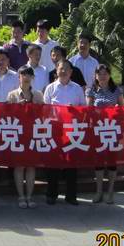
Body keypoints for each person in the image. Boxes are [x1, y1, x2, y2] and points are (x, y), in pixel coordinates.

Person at [44, 59, 87, 205]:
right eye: (60, 68)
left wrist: (74, 111)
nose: (63, 71)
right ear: (56, 70)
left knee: (71, 164)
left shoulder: (77, 88)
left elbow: (83, 109)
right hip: (55, 130)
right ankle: (51, 194)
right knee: (53, 163)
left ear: (71, 72)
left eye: (66, 69)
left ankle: (71, 195)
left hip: (72, 130)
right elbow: (45, 110)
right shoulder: (50, 88)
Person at [86, 63, 124, 204]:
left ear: (109, 75)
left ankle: (110, 192)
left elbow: (123, 109)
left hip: (112, 129)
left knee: (112, 161)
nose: (102, 76)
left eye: (105, 73)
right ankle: (99, 191)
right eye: (100, 74)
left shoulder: (117, 90)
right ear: (96, 76)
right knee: (99, 161)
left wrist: (116, 109)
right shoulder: (92, 90)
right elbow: (89, 109)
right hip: (98, 130)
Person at [7, 66, 44, 209]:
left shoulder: (38, 94)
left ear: (32, 77)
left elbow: (43, 114)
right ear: (19, 77)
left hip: (33, 133)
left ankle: (29, 196)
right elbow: (6, 115)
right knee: (19, 166)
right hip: (17, 134)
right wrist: (17, 107)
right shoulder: (12, 95)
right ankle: (21, 196)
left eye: (29, 75)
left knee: (31, 166)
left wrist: (36, 107)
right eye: (23, 75)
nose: (26, 77)